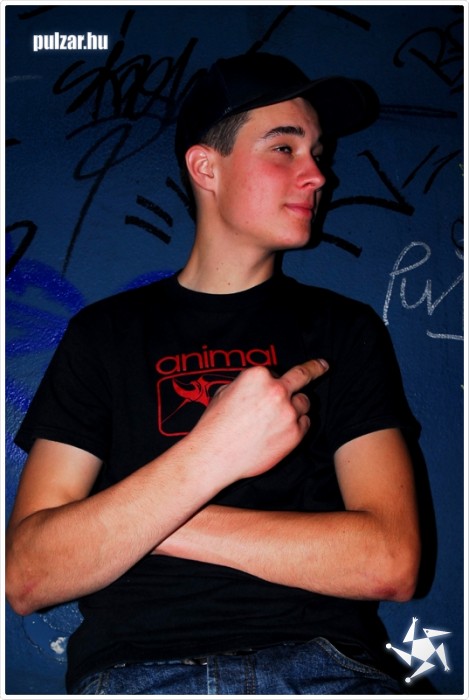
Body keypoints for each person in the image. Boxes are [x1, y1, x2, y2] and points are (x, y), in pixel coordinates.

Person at [6, 52, 421, 695]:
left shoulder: (343, 329)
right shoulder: (103, 335)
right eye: (283, 148)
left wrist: (142, 522)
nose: (318, 175)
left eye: (317, 152)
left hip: (322, 668)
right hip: (137, 673)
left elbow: (390, 561)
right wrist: (213, 454)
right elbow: (29, 575)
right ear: (206, 167)